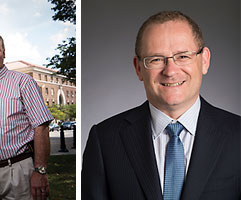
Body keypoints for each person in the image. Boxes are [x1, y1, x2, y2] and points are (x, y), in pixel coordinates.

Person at [82, 11, 240, 199]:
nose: (170, 71)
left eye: (182, 56)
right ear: (138, 68)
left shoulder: (237, 135)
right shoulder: (105, 140)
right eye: (156, 59)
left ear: (204, 60)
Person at [0, 32, 54, 200]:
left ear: (4, 53)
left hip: (19, 170)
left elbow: (41, 127)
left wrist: (40, 170)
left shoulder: (23, 82)